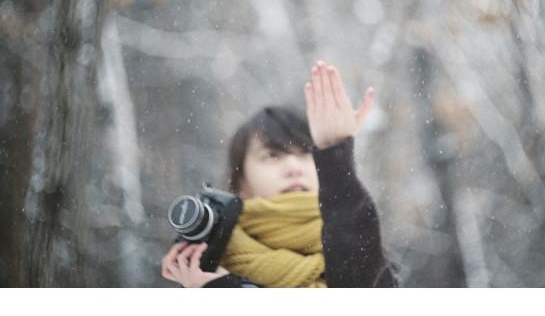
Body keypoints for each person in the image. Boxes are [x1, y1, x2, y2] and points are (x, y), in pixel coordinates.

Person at [161, 60, 398, 287]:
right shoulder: (205, 265)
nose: (293, 166)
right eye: (273, 156)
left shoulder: (365, 251)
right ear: (240, 183)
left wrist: (334, 154)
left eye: (307, 152)